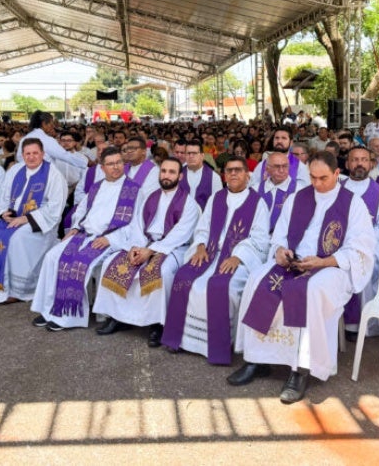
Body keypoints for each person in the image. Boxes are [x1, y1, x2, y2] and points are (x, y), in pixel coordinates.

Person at [229, 151, 375, 403]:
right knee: (256, 281)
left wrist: (323, 261)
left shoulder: (353, 204)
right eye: (313, 177)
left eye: (323, 178)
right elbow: (280, 235)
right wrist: (280, 251)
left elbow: (359, 248)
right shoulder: (298, 198)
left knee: (310, 291)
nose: (317, 184)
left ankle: (301, 369)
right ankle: (257, 359)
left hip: (331, 267)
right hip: (294, 261)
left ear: (337, 174)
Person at [161, 156, 269, 365]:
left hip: (238, 257)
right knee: (183, 277)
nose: (234, 174)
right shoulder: (216, 198)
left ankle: (218, 345)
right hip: (209, 253)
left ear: (248, 175)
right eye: (229, 170)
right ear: (224, 175)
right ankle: (181, 340)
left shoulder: (258, 203)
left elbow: (260, 239)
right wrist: (200, 246)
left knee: (222, 287)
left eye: (238, 170)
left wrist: (238, 256)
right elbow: (202, 227)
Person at [30, 147, 140, 331]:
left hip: (107, 239)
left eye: (119, 163)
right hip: (83, 235)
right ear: (102, 167)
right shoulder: (96, 187)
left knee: (78, 264)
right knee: (52, 257)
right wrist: (74, 228)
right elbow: (81, 210)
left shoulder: (134, 190)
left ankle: (69, 316)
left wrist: (111, 239)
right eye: (111, 164)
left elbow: (135, 223)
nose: (116, 167)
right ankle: (49, 309)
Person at [93, 157, 200, 346]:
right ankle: (117, 317)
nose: (166, 176)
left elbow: (180, 234)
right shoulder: (150, 197)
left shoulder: (189, 203)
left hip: (171, 248)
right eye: (164, 171)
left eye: (171, 172)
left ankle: (157, 325)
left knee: (162, 272)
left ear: (180, 176)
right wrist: (137, 247)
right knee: (112, 263)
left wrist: (150, 251)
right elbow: (137, 224)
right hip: (144, 242)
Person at [0, 138, 67, 304]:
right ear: (22, 155)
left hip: (39, 223)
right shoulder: (15, 171)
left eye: (35, 153)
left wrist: (26, 218)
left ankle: (16, 290)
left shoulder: (54, 175)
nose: (31, 157)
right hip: (13, 217)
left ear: (43, 154)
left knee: (16, 239)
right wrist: (3, 213)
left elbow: (55, 208)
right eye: (27, 153)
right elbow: (5, 197)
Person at [340, 147, 379, 340]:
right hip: (338, 246)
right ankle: (339, 323)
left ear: (371, 164)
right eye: (355, 159)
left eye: (364, 160)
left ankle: (362, 324)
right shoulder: (336, 189)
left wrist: (361, 246)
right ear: (347, 164)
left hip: (368, 247)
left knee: (363, 265)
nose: (359, 163)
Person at [16, 111, 89, 173]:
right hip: (44, 175)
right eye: (51, 123)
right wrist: (86, 163)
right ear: (44, 124)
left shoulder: (24, 139)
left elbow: (19, 158)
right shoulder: (47, 140)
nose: (53, 126)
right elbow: (64, 156)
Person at [255, 150, 308, 233]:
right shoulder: (255, 190)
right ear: (267, 169)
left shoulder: (300, 191)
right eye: (277, 166)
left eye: (285, 166)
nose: (281, 170)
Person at [179, 140, 223, 210]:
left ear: (202, 156)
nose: (191, 156)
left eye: (194, 153)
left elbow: (218, 205)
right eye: (188, 153)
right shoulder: (178, 174)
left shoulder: (214, 177)